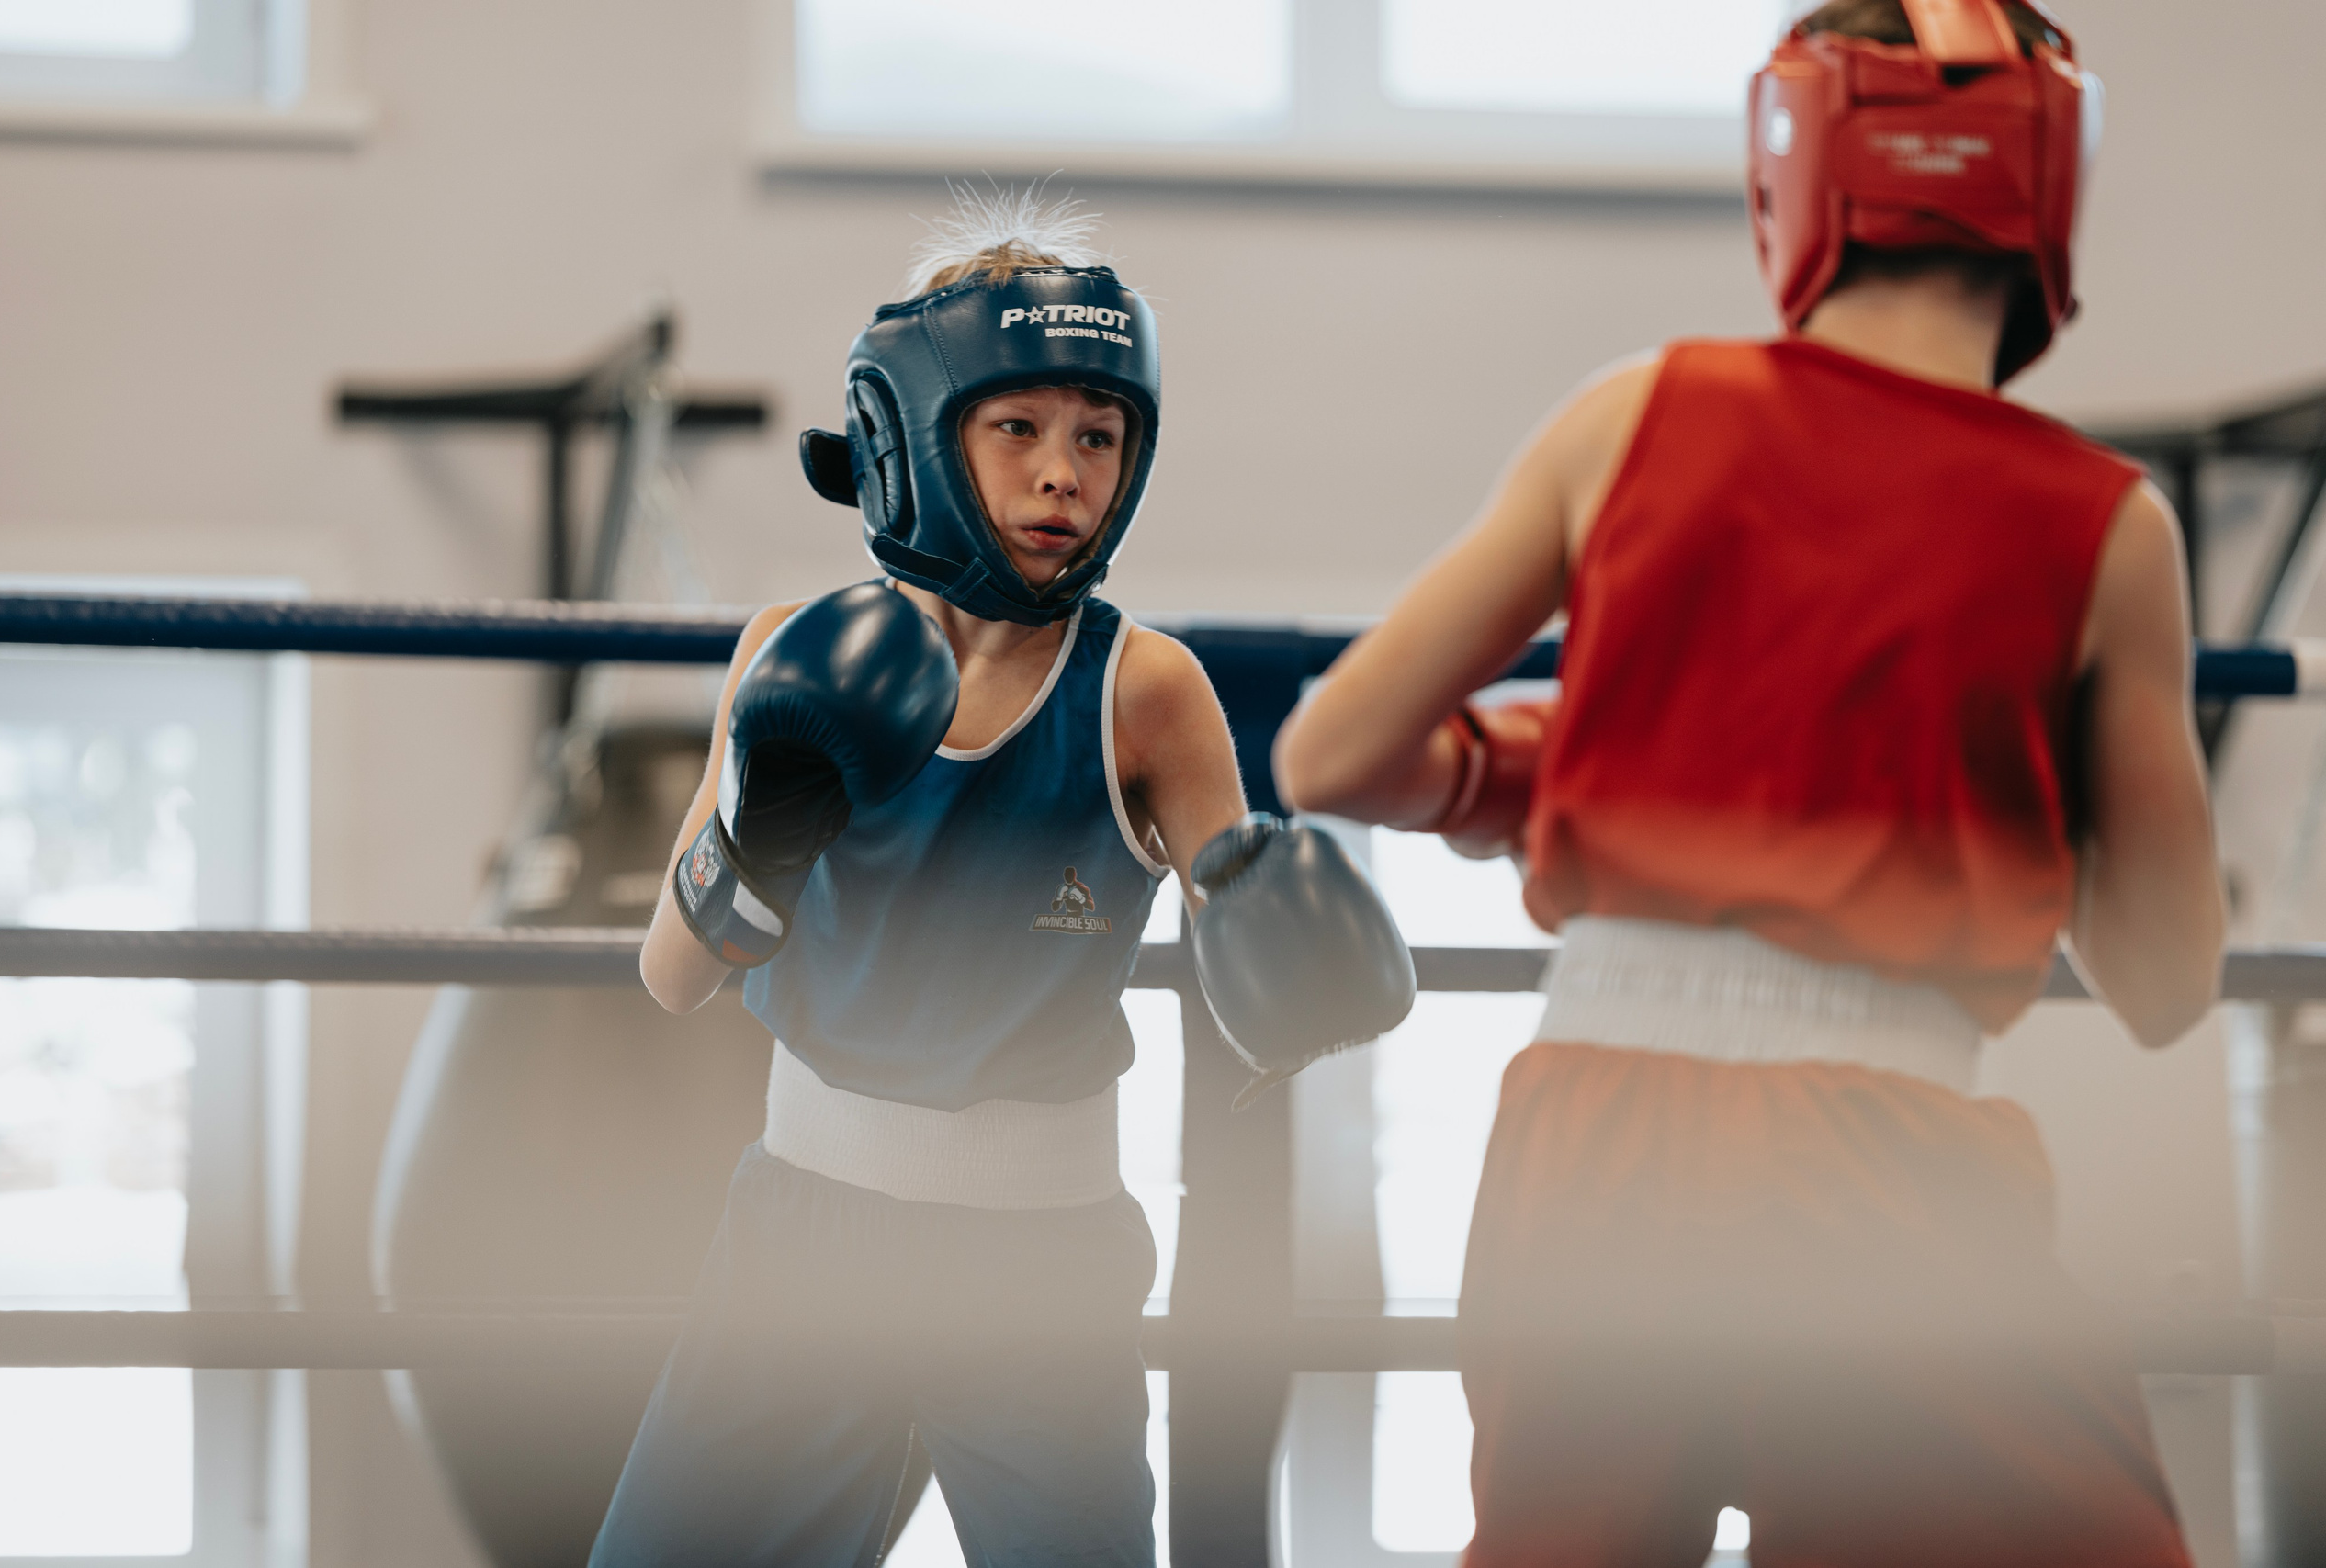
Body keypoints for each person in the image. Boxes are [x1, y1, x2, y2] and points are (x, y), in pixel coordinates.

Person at [1274, 2, 2224, 1563]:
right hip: (1889, 1159)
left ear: (1797, 162)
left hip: (1588, 1134)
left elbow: (1329, 752)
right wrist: (2001, 785)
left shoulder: (1637, 410)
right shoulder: (2107, 525)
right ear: (2049, 191)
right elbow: (2172, 984)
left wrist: (1547, 768)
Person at [591, 192, 1409, 1568]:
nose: (1061, 475)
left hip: (1044, 1264)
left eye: (1098, 436)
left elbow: (1260, 979)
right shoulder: (788, 651)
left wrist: (1294, 954)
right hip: (805, 1237)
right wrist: (759, 831)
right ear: (920, 437)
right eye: (1017, 428)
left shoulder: (1145, 689)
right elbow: (670, 977)